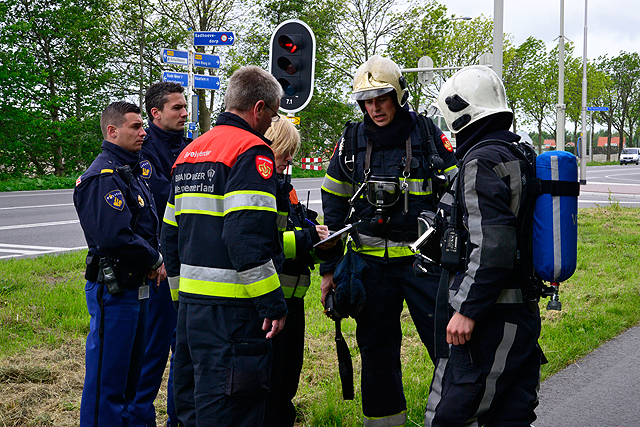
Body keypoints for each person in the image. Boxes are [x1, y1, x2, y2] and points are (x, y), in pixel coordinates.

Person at [320, 55, 457, 427]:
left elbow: (459, 188)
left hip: (423, 263)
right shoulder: (351, 139)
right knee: (377, 353)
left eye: (382, 97)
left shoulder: (428, 134)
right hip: (370, 268)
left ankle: (455, 419)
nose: (375, 108)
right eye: (367, 100)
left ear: (399, 95)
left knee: (448, 347)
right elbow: (332, 206)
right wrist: (329, 271)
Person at [161, 65, 288, 427]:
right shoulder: (252, 152)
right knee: (234, 412)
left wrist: (180, 297)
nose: (271, 124)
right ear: (259, 108)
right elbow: (245, 238)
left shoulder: (191, 152)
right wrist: (273, 304)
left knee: (190, 409)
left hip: (190, 311)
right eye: (273, 116)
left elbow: (169, 234)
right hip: (234, 314)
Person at [424, 65, 545, 426]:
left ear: (460, 113)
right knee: (510, 414)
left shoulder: (480, 161)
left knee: (452, 415)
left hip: (490, 319)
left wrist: (466, 310)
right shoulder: (519, 152)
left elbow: (492, 244)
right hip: (521, 312)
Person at [74, 101, 166, 427]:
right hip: (115, 291)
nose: (143, 132)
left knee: (130, 380)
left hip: (136, 288)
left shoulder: (130, 170)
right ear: (113, 131)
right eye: (136, 127)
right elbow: (115, 237)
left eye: (143, 126)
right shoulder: (103, 176)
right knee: (107, 385)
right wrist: (154, 258)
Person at [127, 82, 190, 427]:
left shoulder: (193, 148)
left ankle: (178, 418)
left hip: (189, 261)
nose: (184, 113)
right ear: (155, 113)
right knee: (153, 349)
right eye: (177, 108)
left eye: (184, 107)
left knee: (185, 347)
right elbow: (159, 202)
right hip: (160, 264)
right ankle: (140, 416)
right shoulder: (143, 150)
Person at [262, 117, 330, 427]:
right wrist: (308, 238)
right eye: (285, 152)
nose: (290, 159)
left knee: (287, 381)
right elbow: (268, 244)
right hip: (270, 302)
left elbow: (292, 229)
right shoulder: (260, 187)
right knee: (271, 386)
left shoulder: (283, 187)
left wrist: (318, 239)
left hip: (293, 300)